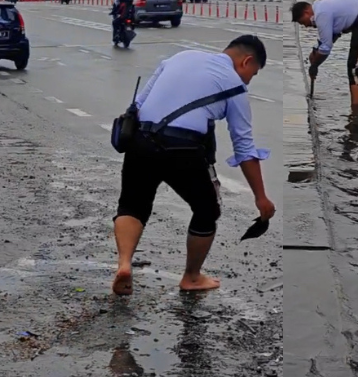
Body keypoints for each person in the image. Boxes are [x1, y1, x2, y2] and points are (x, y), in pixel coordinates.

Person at [112, 35, 275, 295]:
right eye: (252, 74)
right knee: (206, 211)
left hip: (141, 139)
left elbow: (139, 104)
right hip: (183, 149)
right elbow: (244, 150)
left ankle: (123, 265)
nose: (248, 80)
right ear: (247, 61)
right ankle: (192, 277)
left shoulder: (180, 56)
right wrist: (261, 198)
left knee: (132, 204)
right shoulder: (235, 87)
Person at [291, 0, 358, 109]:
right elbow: (329, 38)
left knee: (355, 68)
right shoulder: (320, 6)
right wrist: (315, 53)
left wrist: (315, 65)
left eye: (303, 22)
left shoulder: (321, 13)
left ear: (306, 12)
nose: (306, 26)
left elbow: (326, 48)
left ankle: (357, 111)